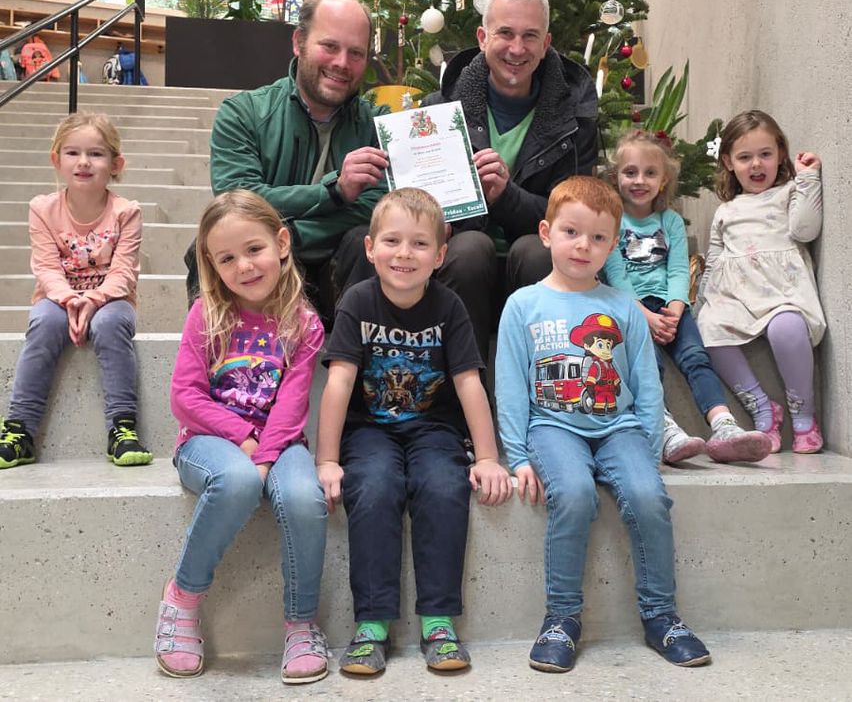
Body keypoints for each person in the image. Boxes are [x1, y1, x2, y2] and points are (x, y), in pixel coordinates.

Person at [496, 176, 710, 673]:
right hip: (552, 428)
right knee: (573, 494)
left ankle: (661, 615)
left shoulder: (622, 308)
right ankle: (562, 618)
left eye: (597, 238)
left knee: (648, 496)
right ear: (547, 232)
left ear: (613, 245)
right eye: (572, 232)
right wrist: (519, 456)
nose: (583, 246)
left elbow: (647, 383)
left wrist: (651, 447)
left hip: (620, 429)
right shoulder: (523, 305)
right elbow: (508, 386)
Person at [315, 188, 513, 676]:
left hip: (434, 429)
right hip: (369, 433)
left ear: (441, 254)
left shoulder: (450, 307)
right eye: (393, 241)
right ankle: (373, 625)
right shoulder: (357, 302)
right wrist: (326, 459)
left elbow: (469, 382)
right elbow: (339, 381)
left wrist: (486, 456)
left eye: (420, 244)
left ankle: (439, 621)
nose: (404, 254)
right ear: (370, 248)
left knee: (445, 487)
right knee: (376, 487)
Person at [155, 190, 329, 684]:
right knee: (235, 481)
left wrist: (269, 452)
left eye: (253, 249)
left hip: (280, 438)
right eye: (226, 258)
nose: (244, 266)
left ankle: (301, 623)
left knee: (300, 495)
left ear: (281, 242)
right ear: (211, 264)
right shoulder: (206, 314)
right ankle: (182, 599)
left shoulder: (303, 322)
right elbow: (185, 398)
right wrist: (245, 443)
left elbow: (293, 404)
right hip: (206, 439)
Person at [417, 0, 599, 362]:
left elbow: (577, 221)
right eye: (505, 33)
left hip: (536, 265)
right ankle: (463, 398)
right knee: (468, 249)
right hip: (462, 271)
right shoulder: (438, 111)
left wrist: (506, 196)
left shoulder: (576, 119)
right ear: (483, 37)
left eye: (530, 36)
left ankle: (548, 394)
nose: (517, 49)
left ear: (546, 45)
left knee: (537, 251)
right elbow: (417, 210)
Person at [188, 0, 389, 316]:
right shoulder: (243, 114)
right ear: (298, 42)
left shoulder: (379, 125)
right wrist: (334, 192)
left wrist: (291, 235)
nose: (342, 63)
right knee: (220, 247)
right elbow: (238, 204)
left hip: (340, 279)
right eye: (330, 46)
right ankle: (219, 361)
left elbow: (379, 210)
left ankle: (353, 362)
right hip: (263, 271)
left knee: (365, 239)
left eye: (356, 53)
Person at [603, 130, 771, 465]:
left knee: (695, 356)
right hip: (629, 308)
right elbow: (616, 276)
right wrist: (644, 316)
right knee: (645, 362)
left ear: (663, 180)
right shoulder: (611, 222)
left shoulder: (671, 222)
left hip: (671, 306)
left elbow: (679, 269)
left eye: (650, 173)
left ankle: (724, 425)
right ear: (615, 177)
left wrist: (677, 309)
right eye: (630, 172)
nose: (640, 180)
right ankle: (664, 429)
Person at [0, 112, 151, 469]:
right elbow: (47, 268)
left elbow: (123, 272)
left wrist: (94, 300)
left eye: (96, 154)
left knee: (110, 325)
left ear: (116, 164)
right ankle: (19, 430)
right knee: (44, 323)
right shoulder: (42, 208)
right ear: (57, 160)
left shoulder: (126, 212)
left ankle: (122, 428)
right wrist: (69, 299)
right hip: (57, 299)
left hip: (113, 299)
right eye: (73, 153)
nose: (84, 162)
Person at [695, 110, 825, 454]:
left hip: (783, 291)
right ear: (728, 162)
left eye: (765, 154)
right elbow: (715, 259)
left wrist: (809, 178)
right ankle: (762, 407)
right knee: (708, 328)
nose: (756, 165)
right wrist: (702, 302)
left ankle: (803, 414)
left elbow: (805, 230)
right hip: (737, 296)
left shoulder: (788, 193)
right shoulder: (726, 211)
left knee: (788, 328)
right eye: (745, 157)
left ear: (780, 154)